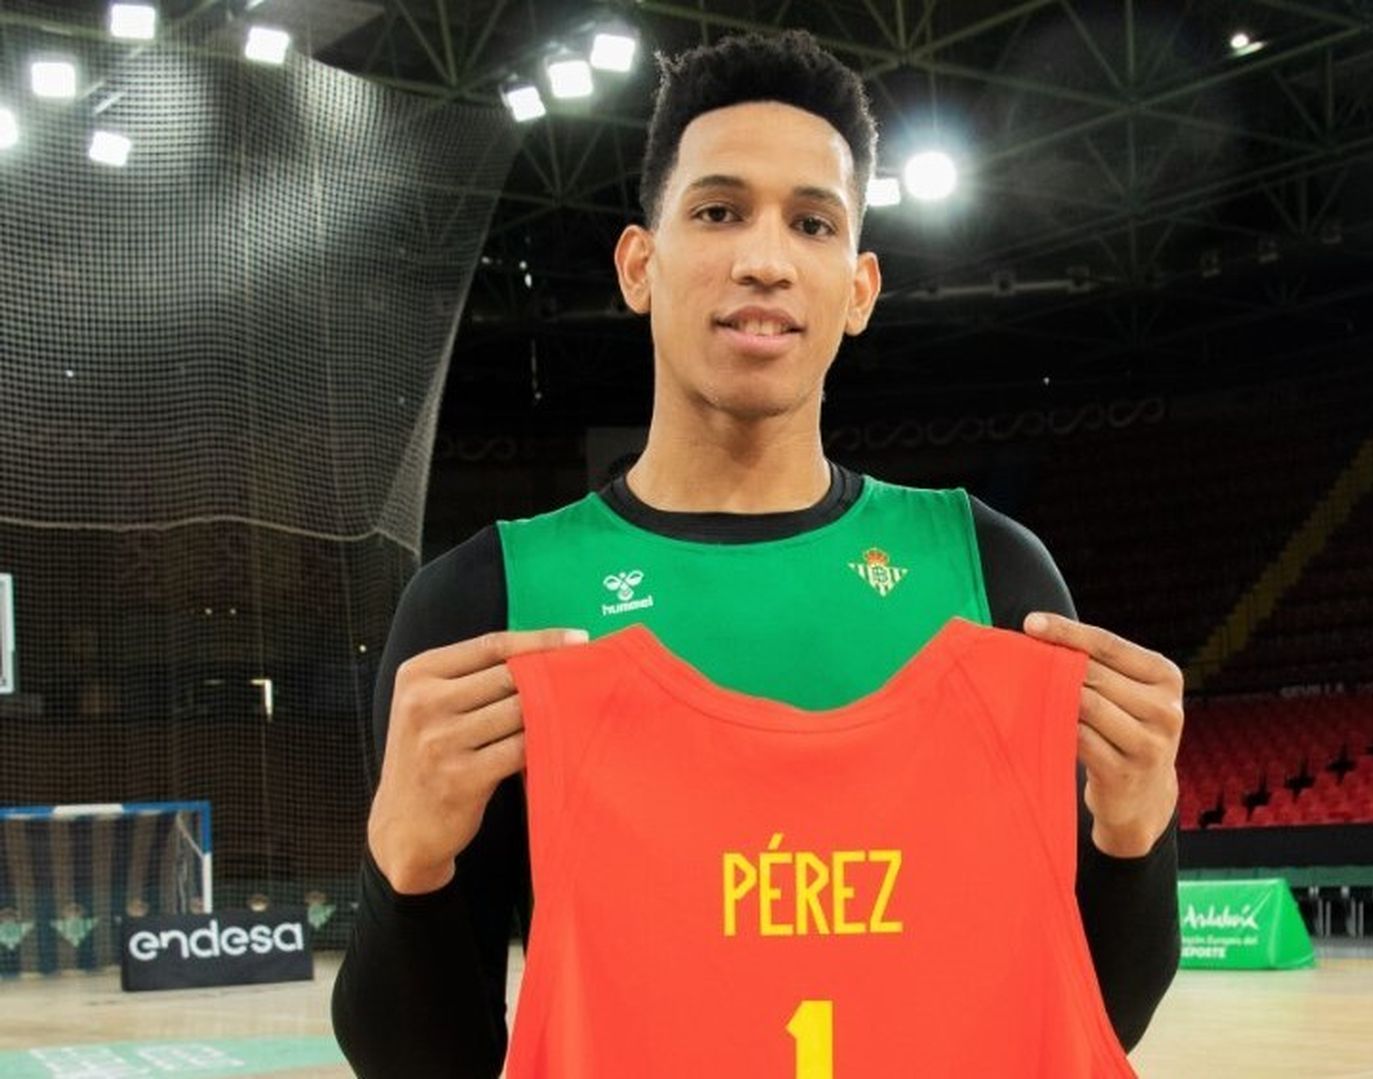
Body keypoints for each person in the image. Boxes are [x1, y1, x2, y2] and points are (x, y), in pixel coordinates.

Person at [332, 29, 1181, 1078]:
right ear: (642, 264)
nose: (765, 259)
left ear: (858, 288)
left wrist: (1136, 833)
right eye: (719, 210)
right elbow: (426, 1062)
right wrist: (403, 860)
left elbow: (1087, 1018)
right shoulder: (486, 601)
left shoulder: (993, 575)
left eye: (812, 222)